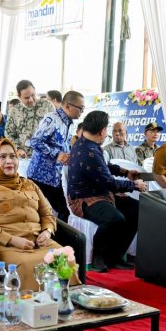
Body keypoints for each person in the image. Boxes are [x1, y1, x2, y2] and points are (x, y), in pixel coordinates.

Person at [0, 139, 76, 331]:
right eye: (2, 157)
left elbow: (47, 213)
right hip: (7, 244)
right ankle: (31, 329)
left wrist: (47, 231)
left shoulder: (29, 184)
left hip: (38, 240)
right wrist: (12, 240)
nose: (9, 161)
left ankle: (60, 317)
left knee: (64, 258)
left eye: (12, 156)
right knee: (27, 263)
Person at [68, 111, 147, 272]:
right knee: (114, 219)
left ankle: (115, 256)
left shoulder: (86, 143)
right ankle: (99, 255)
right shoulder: (87, 150)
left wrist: (125, 172)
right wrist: (134, 185)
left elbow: (105, 165)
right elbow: (108, 182)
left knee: (136, 210)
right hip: (84, 198)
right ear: (103, 131)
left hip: (100, 193)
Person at [27, 91, 85, 222]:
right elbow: (35, 142)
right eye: (80, 108)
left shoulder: (70, 123)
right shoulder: (52, 119)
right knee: (33, 213)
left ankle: (55, 241)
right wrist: (57, 154)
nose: (81, 112)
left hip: (54, 177)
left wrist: (68, 156)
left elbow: (62, 147)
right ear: (68, 106)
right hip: (39, 176)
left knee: (63, 212)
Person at [5, 80, 54, 158]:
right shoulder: (14, 111)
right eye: (26, 98)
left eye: (33, 95)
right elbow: (9, 133)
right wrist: (17, 149)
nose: (31, 100)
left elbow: (56, 129)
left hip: (45, 156)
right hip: (23, 156)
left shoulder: (47, 106)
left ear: (35, 90)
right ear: (19, 97)